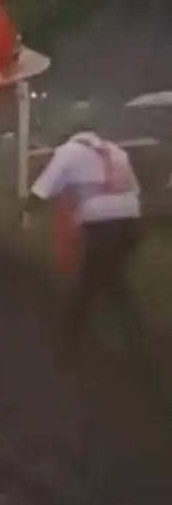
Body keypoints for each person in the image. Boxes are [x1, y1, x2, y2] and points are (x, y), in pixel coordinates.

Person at [26, 106, 147, 359]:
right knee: (113, 281)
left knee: (87, 288)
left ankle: (67, 349)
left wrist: (22, 213)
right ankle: (137, 342)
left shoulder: (67, 152)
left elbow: (41, 190)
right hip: (131, 225)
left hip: (104, 227)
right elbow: (134, 190)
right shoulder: (116, 151)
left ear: (69, 130)